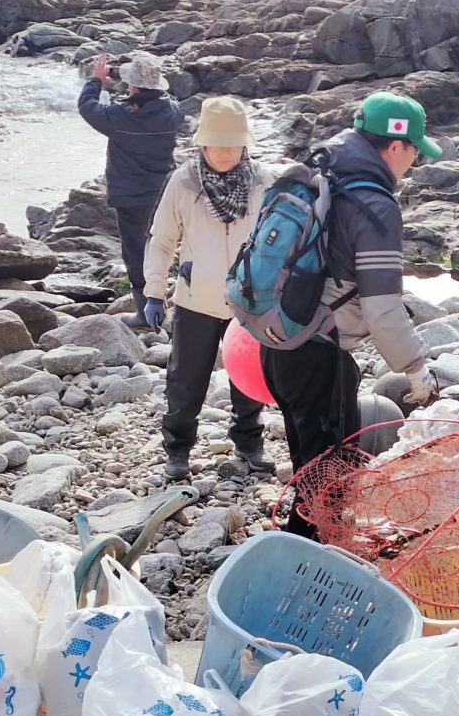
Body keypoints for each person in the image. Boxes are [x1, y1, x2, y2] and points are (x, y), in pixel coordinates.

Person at [264, 93, 439, 508]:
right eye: (415, 150)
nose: (415, 161)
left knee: (309, 466)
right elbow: (382, 309)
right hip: (320, 352)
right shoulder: (375, 207)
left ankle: (303, 547)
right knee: (332, 480)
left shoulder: (319, 176)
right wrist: (415, 370)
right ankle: (315, 560)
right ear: (395, 146)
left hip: (277, 337)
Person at [145, 96, 274, 482]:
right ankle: (178, 451)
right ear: (201, 143)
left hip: (249, 299)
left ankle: (249, 445)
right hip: (196, 297)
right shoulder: (183, 182)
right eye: (217, 143)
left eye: (232, 144)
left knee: (249, 377)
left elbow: (278, 240)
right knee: (185, 379)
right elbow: (162, 239)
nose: (224, 152)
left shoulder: (263, 181)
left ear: (245, 144)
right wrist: (154, 291)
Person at [79, 50, 187, 327]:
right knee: (163, 243)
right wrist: (137, 83)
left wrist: (97, 81)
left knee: (136, 251)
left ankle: (145, 312)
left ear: (133, 86)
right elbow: (166, 99)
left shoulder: (119, 116)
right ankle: (176, 299)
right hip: (164, 192)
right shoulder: (173, 113)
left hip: (131, 195)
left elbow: (87, 106)